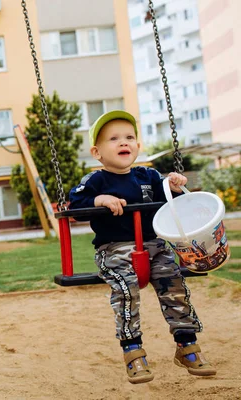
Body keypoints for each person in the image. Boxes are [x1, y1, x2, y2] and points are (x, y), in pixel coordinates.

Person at [68, 110, 216, 384]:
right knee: (126, 292)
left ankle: (187, 345)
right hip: (114, 250)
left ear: (137, 145)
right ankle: (133, 350)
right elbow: (75, 205)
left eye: (129, 137)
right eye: (113, 139)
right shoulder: (95, 182)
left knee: (175, 287)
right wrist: (99, 199)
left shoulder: (148, 175)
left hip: (155, 247)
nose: (123, 142)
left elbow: (170, 197)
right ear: (97, 152)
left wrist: (173, 184)